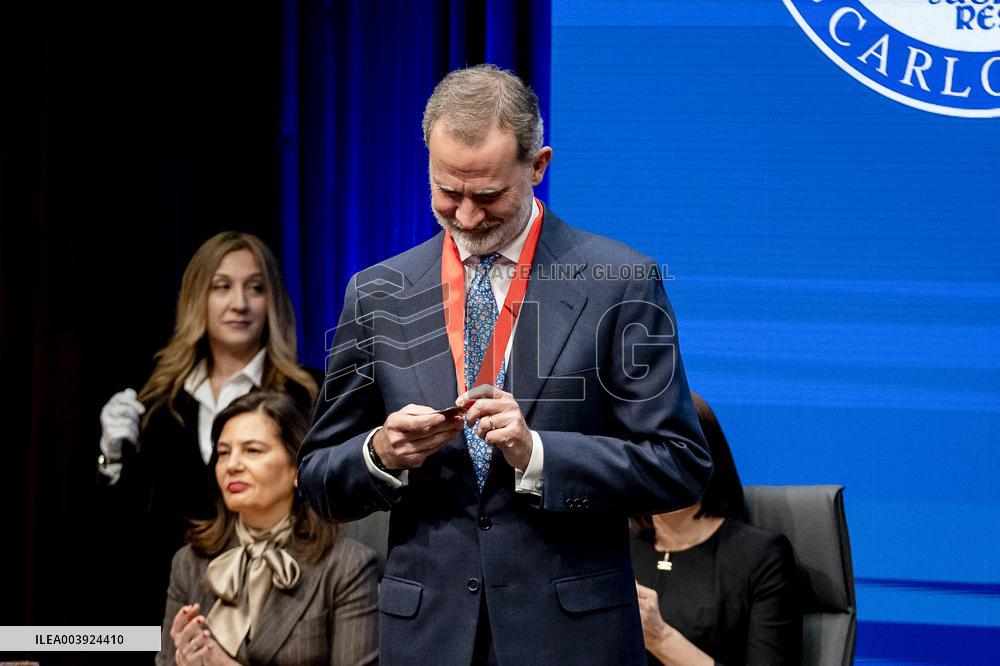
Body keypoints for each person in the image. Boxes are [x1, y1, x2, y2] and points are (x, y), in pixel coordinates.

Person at [298, 64, 713, 664]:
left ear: (539, 165)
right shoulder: (378, 293)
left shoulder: (619, 282)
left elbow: (679, 463)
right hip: (427, 638)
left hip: (571, 640)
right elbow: (317, 480)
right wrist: (381, 454)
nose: (466, 217)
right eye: (448, 192)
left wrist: (538, 455)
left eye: (488, 195)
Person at [97, 231, 319, 624]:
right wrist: (112, 458)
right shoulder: (156, 402)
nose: (240, 304)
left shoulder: (306, 395)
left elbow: (322, 515)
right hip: (159, 610)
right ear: (198, 298)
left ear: (273, 301)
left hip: (274, 612)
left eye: (256, 288)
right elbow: (123, 530)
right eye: (222, 287)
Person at [157, 391, 378, 666]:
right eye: (224, 453)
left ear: (297, 468)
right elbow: (164, 660)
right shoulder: (189, 561)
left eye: (252, 450)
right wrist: (181, 659)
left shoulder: (347, 566)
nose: (232, 465)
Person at [632, 392, 801, 665]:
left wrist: (660, 637)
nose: (656, 472)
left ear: (706, 459)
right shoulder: (613, 546)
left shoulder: (761, 556)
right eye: (641, 455)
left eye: (670, 456)